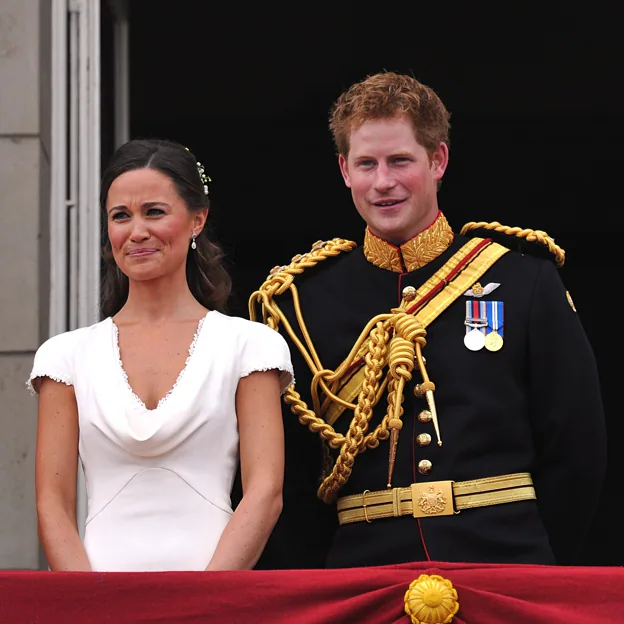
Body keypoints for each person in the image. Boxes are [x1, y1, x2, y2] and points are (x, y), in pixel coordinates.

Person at [249, 71, 607, 569]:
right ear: (343, 170)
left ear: (438, 160)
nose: (383, 182)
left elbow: (577, 449)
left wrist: (536, 564)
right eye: (366, 164)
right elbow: (292, 477)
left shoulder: (523, 280)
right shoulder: (302, 305)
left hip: (503, 564)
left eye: (400, 161)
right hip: (364, 576)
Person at [29, 138, 292, 572]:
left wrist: (202, 605)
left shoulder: (250, 345)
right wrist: (92, 610)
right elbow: (51, 505)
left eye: (154, 211)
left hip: (215, 599)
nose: (136, 232)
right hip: (100, 605)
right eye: (120, 216)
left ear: (197, 219)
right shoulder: (65, 356)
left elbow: (265, 492)